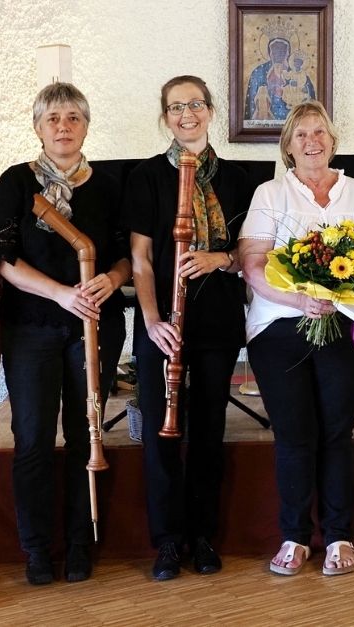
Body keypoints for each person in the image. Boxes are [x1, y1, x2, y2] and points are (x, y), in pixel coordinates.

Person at [240, 101, 354, 577]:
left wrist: (346, 287)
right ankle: (294, 536)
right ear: (288, 146)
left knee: (336, 433)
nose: (313, 140)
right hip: (279, 327)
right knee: (293, 435)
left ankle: (339, 535)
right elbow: (254, 266)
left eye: (320, 132)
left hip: (346, 325)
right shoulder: (269, 193)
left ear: (332, 140)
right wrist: (301, 301)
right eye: (302, 133)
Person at [0, 82, 130, 585]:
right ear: (38, 128)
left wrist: (111, 280)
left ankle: (79, 542)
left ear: (86, 125)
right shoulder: (16, 182)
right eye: (53, 119)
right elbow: (2, 259)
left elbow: (124, 253)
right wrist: (61, 294)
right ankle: (35, 546)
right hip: (31, 328)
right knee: (32, 438)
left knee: (83, 433)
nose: (63, 127)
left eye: (72, 117)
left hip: (95, 327)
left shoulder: (110, 184)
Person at [123, 76, 253, 581]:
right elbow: (140, 258)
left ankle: (203, 536)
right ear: (165, 117)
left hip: (217, 319)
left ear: (211, 110)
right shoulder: (147, 177)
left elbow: (251, 249)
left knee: (208, 430)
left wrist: (218, 257)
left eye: (195, 104)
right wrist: (152, 320)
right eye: (176, 107)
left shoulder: (240, 180)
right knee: (160, 433)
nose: (186, 115)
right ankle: (167, 540)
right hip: (163, 325)